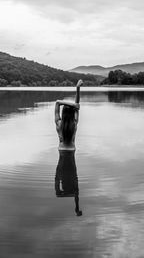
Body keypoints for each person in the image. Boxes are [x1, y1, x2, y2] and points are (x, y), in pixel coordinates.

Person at [54, 79, 83, 216]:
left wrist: (64, 102)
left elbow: (57, 103)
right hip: (71, 154)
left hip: (61, 153)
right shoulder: (75, 124)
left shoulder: (58, 123)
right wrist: (77, 89)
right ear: (72, 115)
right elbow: (77, 105)